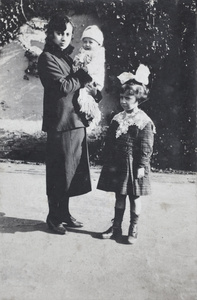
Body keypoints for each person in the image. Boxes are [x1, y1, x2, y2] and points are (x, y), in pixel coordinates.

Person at [38, 12, 97, 235]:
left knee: (72, 172)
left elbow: (78, 86)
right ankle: (54, 217)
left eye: (68, 34)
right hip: (60, 122)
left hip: (76, 120)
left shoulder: (68, 57)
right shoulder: (47, 58)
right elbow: (61, 87)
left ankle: (64, 213)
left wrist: (92, 91)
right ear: (50, 33)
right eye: (59, 33)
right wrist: (82, 76)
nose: (63, 38)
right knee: (59, 172)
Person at [97, 64, 156, 244]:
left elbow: (146, 147)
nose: (124, 101)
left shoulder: (143, 121)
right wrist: (108, 160)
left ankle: (133, 228)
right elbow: (109, 141)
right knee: (119, 197)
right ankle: (116, 228)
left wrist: (141, 167)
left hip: (134, 165)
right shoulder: (117, 118)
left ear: (138, 99)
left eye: (128, 98)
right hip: (118, 164)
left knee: (135, 197)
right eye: (122, 97)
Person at [73, 25, 105, 129]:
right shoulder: (83, 51)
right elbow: (78, 59)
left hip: (94, 78)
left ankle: (91, 115)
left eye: (90, 42)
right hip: (85, 78)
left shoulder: (99, 53)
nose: (87, 44)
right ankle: (85, 115)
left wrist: (87, 68)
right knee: (82, 97)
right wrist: (76, 61)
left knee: (89, 97)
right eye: (85, 41)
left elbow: (96, 65)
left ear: (98, 43)